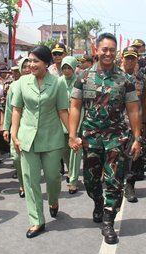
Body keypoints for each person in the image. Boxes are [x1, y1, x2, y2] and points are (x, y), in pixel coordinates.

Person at [69, 33, 142, 245]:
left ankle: (109, 219)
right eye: (104, 49)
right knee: (91, 182)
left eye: (112, 49)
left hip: (116, 138)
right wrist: (72, 135)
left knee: (114, 180)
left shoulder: (125, 80)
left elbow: (133, 110)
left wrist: (137, 138)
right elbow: (75, 106)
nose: (108, 53)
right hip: (90, 138)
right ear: (97, 50)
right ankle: (98, 203)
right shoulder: (83, 77)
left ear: (116, 51)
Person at [10, 45, 70, 238]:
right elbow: (17, 109)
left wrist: (73, 134)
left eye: (36, 61)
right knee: (30, 180)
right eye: (29, 61)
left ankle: (53, 200)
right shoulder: (21, 82)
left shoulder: (58, 83)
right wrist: (14, 134)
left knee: (53, 176)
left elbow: (62, 110)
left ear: (47, 63)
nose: (31, 65)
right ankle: (36, 220)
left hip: (52, 137)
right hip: (27, 138)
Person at [120, 46, 146, 203]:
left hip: (134, 123)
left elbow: (144, 100)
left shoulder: (142, 79)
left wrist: (144, 122)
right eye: (127, 57)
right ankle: (116, 184)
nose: (129, 60)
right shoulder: (115, 77)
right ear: (122, 58)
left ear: (137, 59)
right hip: (116, 123)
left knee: (133, 155)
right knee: (118, 157)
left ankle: (129, 185)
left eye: (133, 58)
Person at [2, 57, 30, 197]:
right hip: (16, 128)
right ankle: (22, 183)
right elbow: (9, 109)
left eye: (29, 66)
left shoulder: (38, 84)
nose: (27, 69)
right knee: (16, 157)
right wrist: (6, 128)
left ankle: (30, 184)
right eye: (24, 67)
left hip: (31, 128)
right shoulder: (14, 86)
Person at [59, 56, 81, 194]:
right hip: (60, 122)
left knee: (75, 151)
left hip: (76, 122)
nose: (67, 71)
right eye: (64, 68)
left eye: (69, 68)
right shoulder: (58, 82)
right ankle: (70, 171)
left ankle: (73, 180)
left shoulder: (79, 82)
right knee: (64, 151)